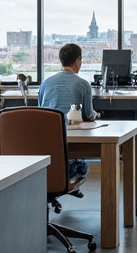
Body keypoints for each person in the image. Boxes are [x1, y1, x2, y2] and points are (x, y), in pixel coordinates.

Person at [38, 43, 97, 179]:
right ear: (77, 61)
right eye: (80, 60)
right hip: (72, 142)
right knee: (82, 164)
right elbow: (88, 115)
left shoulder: (45, 84)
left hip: (43, 156)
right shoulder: (83, 84)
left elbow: (40, 112)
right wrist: (96, 115)